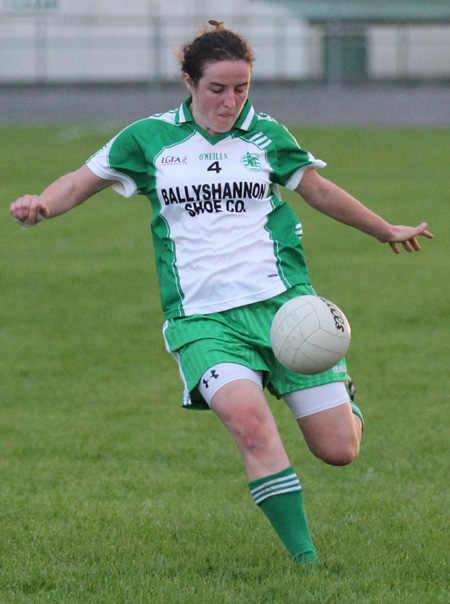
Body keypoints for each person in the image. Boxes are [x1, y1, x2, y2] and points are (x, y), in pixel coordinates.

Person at [10, 21, 433, 565]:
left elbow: (320, 191)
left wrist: (385, 228)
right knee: (251, 426)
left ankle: (343, 396)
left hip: (285, 309)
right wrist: (41, 205)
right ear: (189, 81)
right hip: (202, 319)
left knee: (338, 451)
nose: (230, 102)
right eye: (217, 89)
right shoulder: (149, 138)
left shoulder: (266, 135)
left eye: (242, 89)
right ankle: (307, 564)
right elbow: (77, 181)